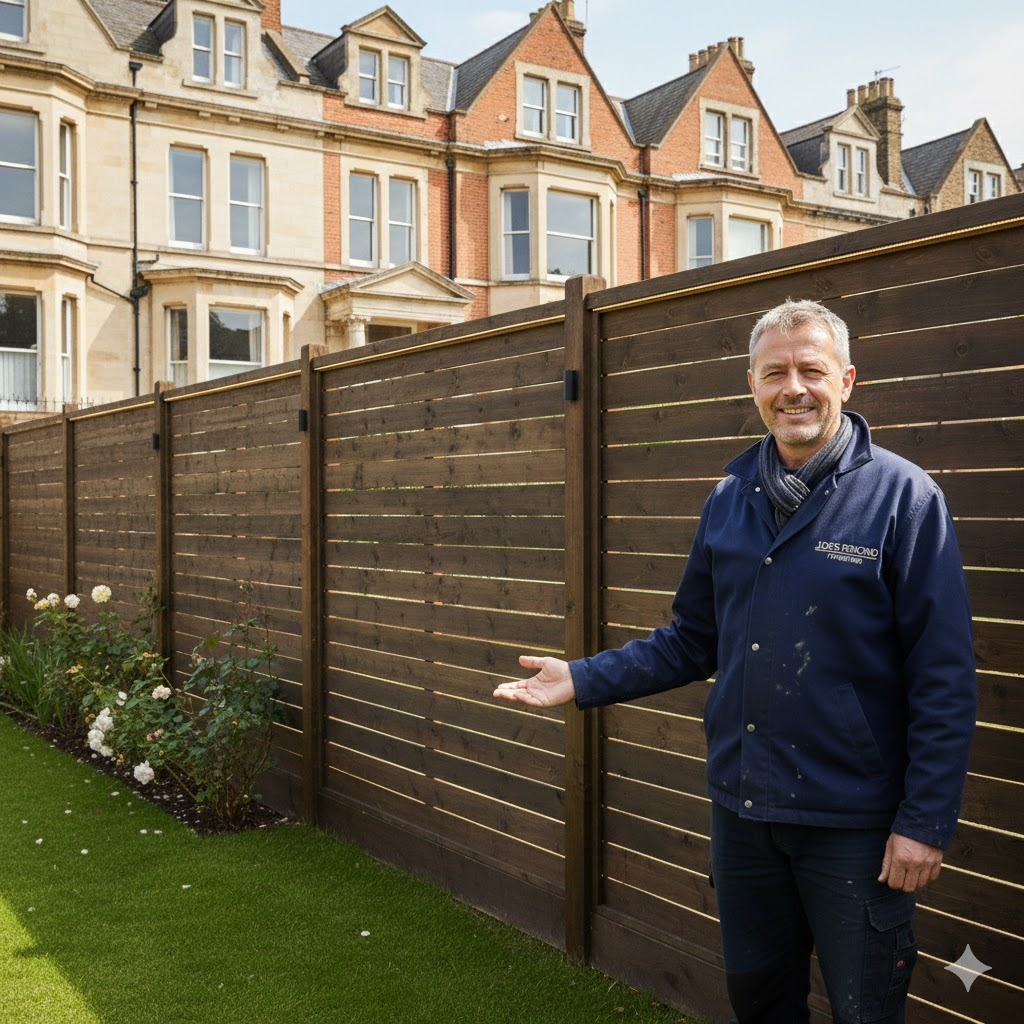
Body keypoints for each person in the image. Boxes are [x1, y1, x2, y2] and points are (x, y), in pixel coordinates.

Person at [493, 299, 977, 1024]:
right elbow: (692, 638)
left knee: (865, 1011)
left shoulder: (904, 499)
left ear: (846, 379)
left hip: (856, 828)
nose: (794, 388)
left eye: (811, 370)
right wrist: (583, 677)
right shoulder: (729, 498)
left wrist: (926, 821)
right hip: (744, 814)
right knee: (761, 1004)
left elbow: (944, 676)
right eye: (774, 372)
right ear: (751, 384)